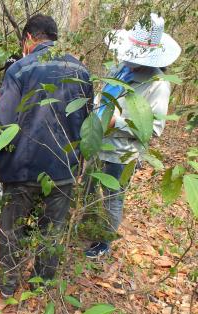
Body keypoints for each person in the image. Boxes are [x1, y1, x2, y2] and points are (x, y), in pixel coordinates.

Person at [0, 14, 93, 298]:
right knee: (51, 231)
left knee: (12, 230)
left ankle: (7, 286)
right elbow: (87, 122)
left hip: (23, 168)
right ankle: (41, 285)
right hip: (64, 168)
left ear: (28, 39)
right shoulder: (82, 71)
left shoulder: (20, 70)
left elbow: (5, 125)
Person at [85, 13, 181, 258]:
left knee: (112, 198)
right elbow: (103, 97)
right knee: (88, 187)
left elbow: (155, 127)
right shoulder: (121, 70)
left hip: (121, 153)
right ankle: (88, 224)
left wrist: (117, 122)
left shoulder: (158, 84)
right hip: (97, 143)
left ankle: (103, 243)